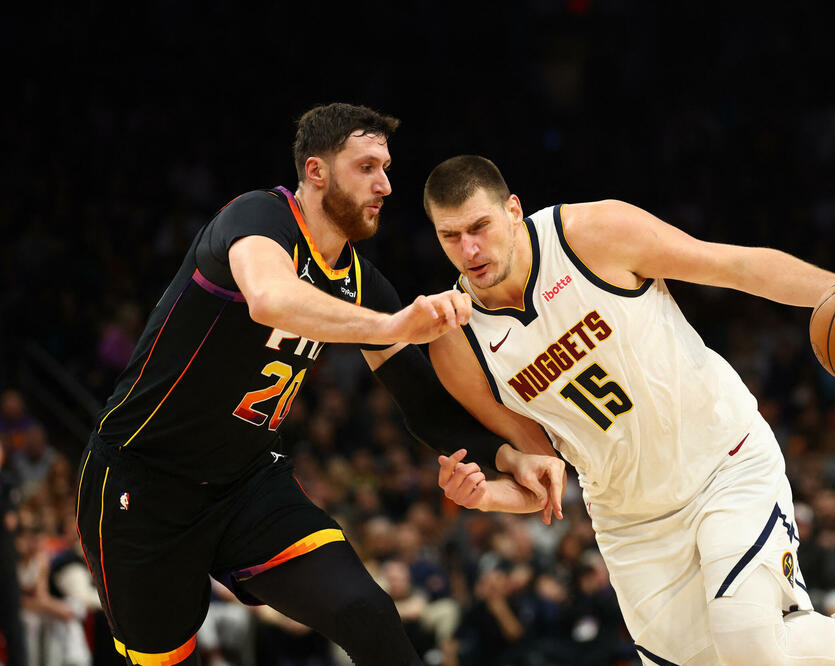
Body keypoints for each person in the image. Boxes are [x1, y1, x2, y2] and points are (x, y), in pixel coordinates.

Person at [76, 105, 564, 666]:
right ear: (316, 172)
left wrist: (507, 455)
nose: (385, 185)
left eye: (386, 168)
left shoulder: (360, 280)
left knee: (366, 611)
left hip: (246, 484)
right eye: (367, 167)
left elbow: (422, 401)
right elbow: (270, 298)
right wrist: (391, 326)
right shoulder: (259, 216)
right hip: (142, 479)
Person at [424, 154, 835, 665]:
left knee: (750, 648)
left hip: (723, 464)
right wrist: (485, 497)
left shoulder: (589, 235)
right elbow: (543, 476)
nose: (469, 249)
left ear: (513, 210)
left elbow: (732, 266)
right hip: (630, 521)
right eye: (450, 236)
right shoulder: (456, 342)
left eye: (480, 227)